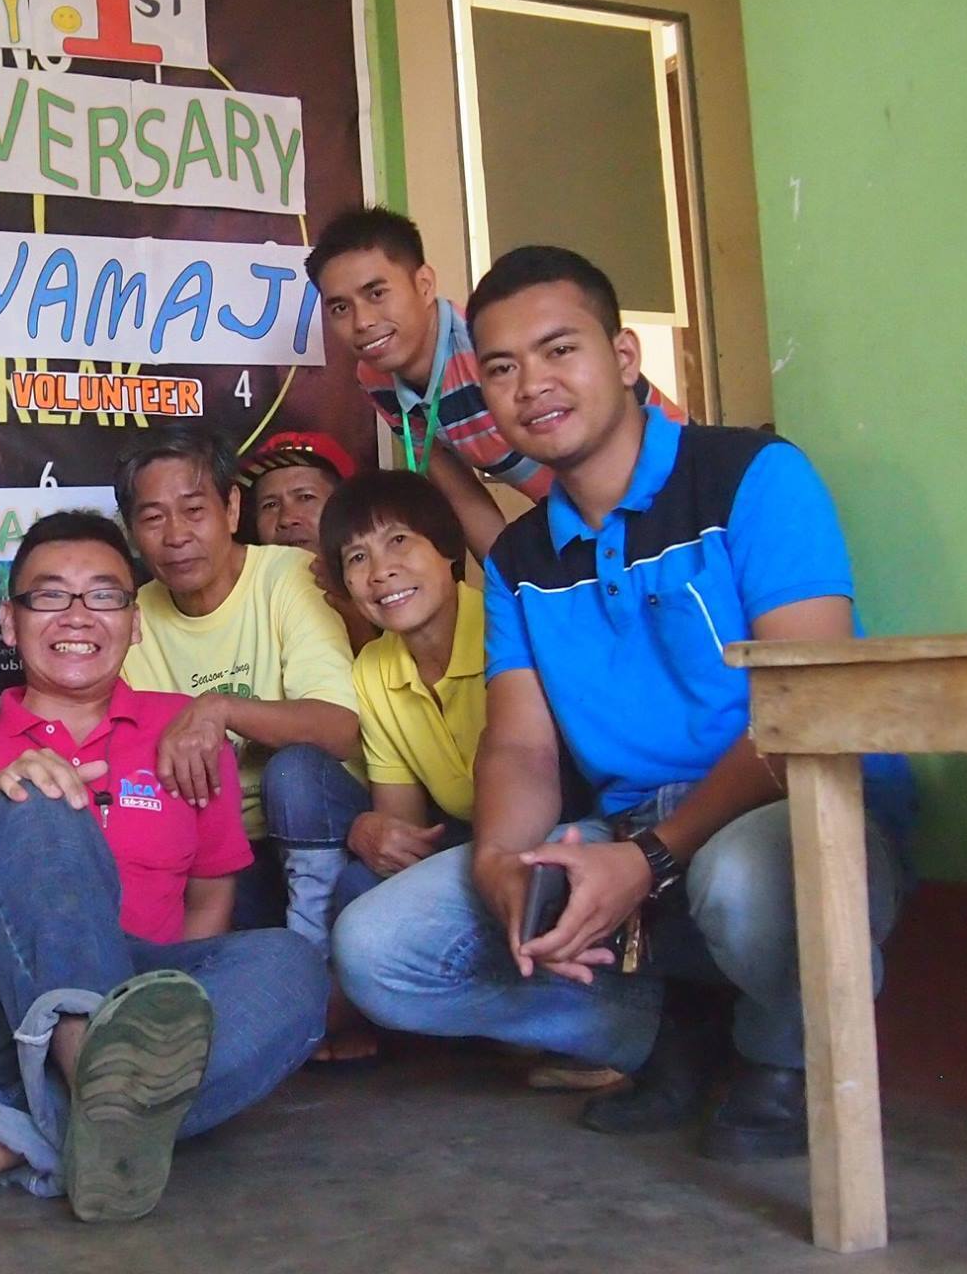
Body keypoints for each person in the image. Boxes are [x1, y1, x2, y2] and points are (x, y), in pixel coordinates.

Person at [333, 246, 915, 1162]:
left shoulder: (753, 475)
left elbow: (809, 708)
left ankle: (785, 1052)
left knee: (740, 884)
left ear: (624, 356)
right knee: (379, 949)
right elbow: (520, 749)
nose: (532, 385)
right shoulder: (519, 560)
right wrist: (499, 862)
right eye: (501, 369)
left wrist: (651, 857)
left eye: (559, 350)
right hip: (632, 835)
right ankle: (665, 1032)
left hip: (796, 809)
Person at [0, 510, 324, 1225]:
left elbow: (208, 907)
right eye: (50, 595)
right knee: (36, 796)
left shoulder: (187, 736)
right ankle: (95, 1081)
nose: (78, 615)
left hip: (136, 1005)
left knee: (294, 965)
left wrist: (164, 1014)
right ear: (9, 623)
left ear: (135, 623)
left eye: (103, 595)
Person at [307, 206, 682, 560]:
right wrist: (508, 578)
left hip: (664, 494)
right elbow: (459, 490)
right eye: (340, 307)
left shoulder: (491, 344)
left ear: (424, 285)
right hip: (580, 522)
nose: (362, 322)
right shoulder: (375, 377)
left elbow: (623, 420)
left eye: (376, 294)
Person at [113, 424, 360, 937]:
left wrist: (220, 707)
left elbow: (339, 729)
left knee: (293, 773)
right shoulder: (130, 618)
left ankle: (315, 950)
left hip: (319, 829)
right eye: (153, 518)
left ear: (230, 509)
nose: (176, 535)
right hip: (216, 853)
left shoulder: (290, 575)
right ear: (132, 533)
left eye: (194, 510)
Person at [239, 429, 374, 652]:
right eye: (270, 505)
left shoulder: (387, 585)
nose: (286, 519)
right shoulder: (240, 601)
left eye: (305, 497)